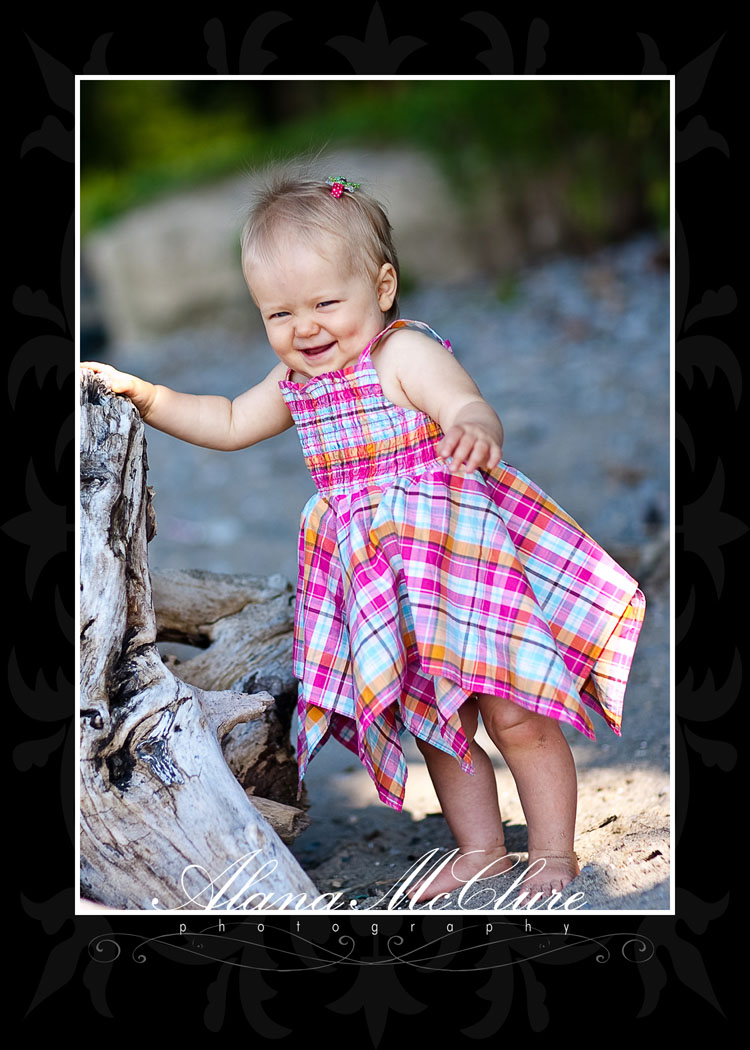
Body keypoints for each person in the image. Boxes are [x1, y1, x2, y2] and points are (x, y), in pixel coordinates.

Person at [81, 169, 646, 907]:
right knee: (435, 721)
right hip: (380, 581)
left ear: (382, 288)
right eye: (278, 312)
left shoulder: (401, 353)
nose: (304, 328)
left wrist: (473, 427)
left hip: (456, 563)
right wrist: (149, 396)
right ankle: (480, 849)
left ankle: (551, 850)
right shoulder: (295, 382)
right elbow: (225, 421)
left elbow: (463, 399)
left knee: (516, 711)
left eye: (324, 303)